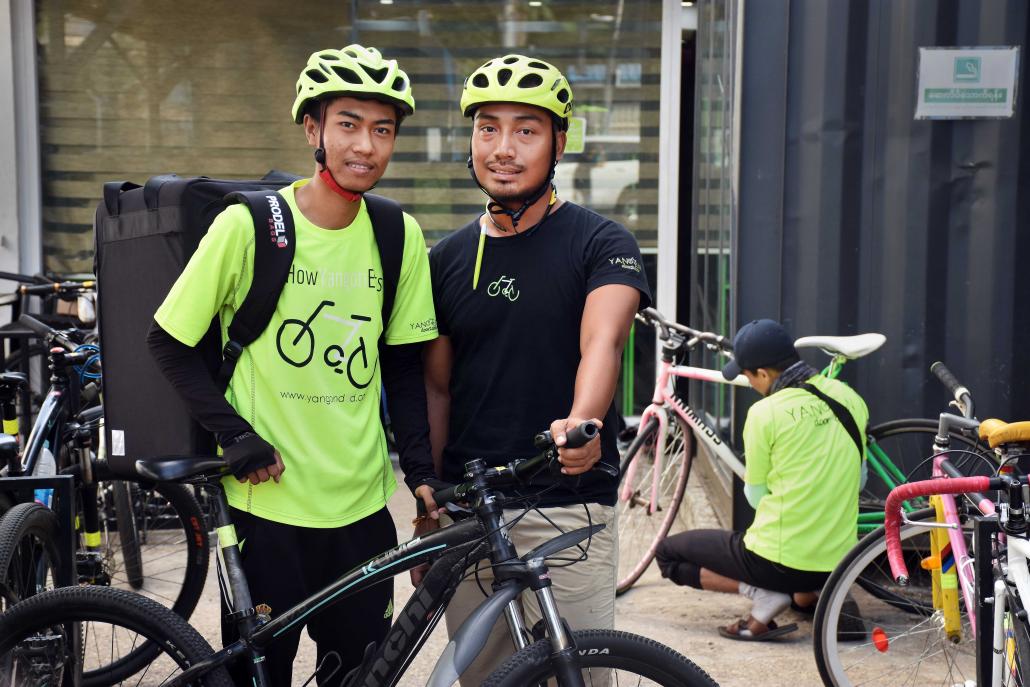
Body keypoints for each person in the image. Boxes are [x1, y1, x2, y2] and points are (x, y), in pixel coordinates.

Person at [147, 45, 439, 684]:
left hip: (362, 510)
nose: (365, 145)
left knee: (360, 674)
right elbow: (167, 342)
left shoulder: (398, 236)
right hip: (264, 506)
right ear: (313, 129)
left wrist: (421, 475)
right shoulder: (247, 226)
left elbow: (404, 370)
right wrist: (237, 435)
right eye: (348, 124)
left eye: (382, 129)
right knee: (260, 676)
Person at [416, 54, 652, 684]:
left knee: (575, 672)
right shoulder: (446, 259)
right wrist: (429, 508)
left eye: (526, 130)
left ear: (559, 143)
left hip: (568, 507)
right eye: (487, 128)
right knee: (488, 677)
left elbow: (602, 342)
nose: (504, 148)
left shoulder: (602, 243)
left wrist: (581, 424)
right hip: (471, 508)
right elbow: (438, 388)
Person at [655, 319, 868, 641]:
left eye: (747, 374)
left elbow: (755, 497)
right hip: (841, 561)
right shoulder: (849, 396)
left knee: (668, 554)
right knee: (795, 558)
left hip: (777, 561)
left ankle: (765, 593)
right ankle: (807, 592)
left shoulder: (764, 414)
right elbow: (860, 478)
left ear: (764, 374)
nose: (747, 381)